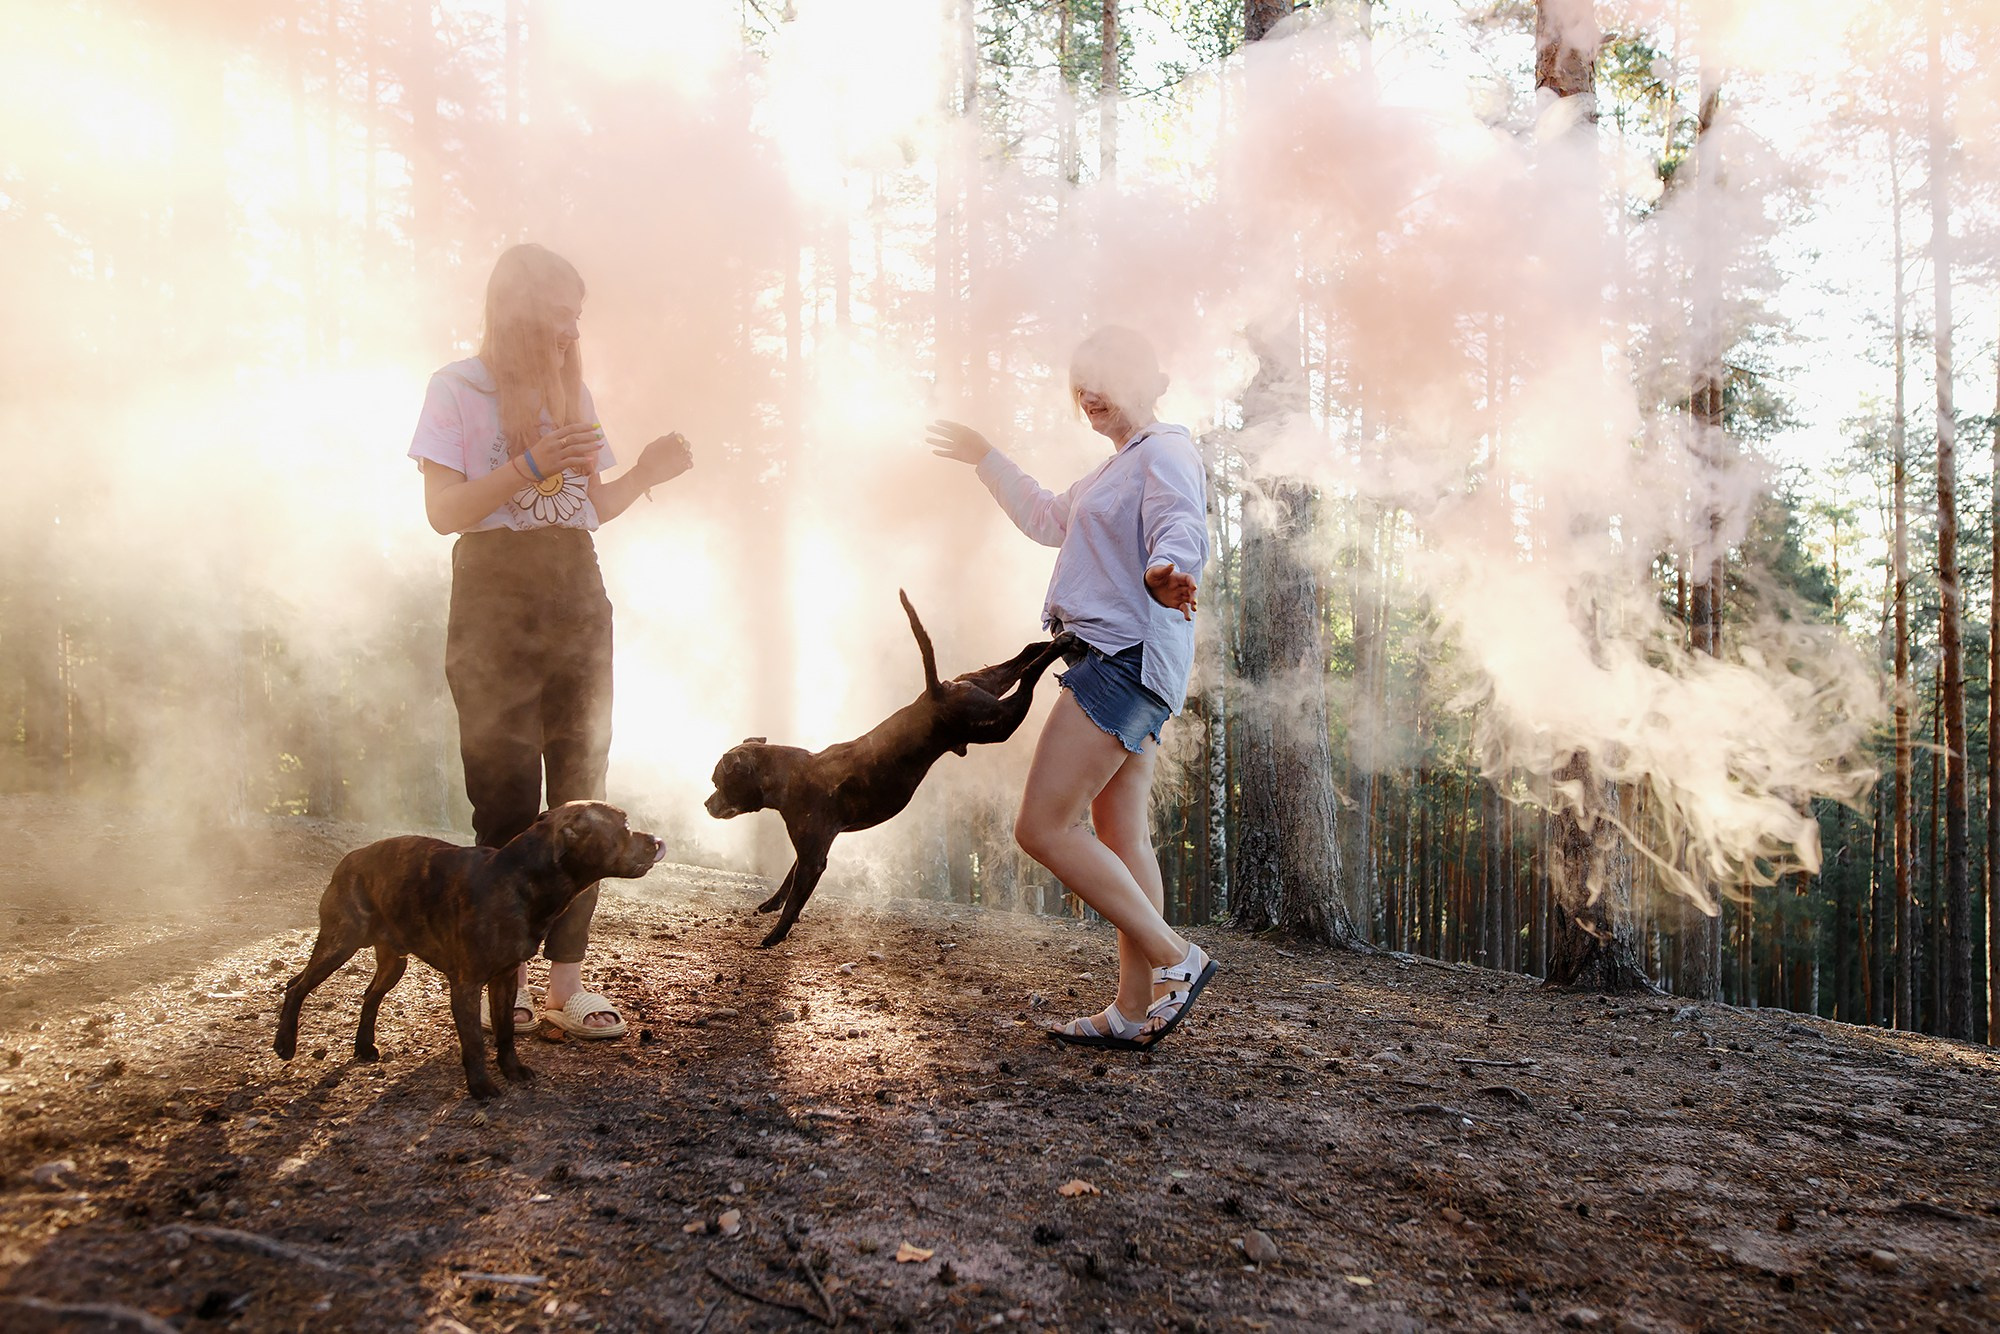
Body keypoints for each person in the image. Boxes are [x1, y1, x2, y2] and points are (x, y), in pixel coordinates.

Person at [407, 242, 692, 1041]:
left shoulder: (575, 389)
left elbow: (591, 505)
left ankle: (568, 985)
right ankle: (509, 979)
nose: (571, 330)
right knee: (503, 796)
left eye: (578, 315)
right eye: (559, 314)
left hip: (576, 587)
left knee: (581, 786)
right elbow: (444, 512)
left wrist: (644, 471)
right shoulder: (455, 387)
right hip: (494, 591)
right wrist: (528, 464)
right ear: (517, 310)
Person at [927, 327, 1216, 1049]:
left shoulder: (1166, 449)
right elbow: (1047, 517)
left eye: (1102, 375)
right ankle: (1131, 1008)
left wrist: (1167, 569)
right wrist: (987, 458)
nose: (1086, 390)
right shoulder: (1111, 469)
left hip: (1121, 658)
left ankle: (1179, 959)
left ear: (1146, 380)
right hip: (1129, 661)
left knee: (1042, 827)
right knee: (1122, 836)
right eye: (1078, 379)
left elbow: (1179, 523)